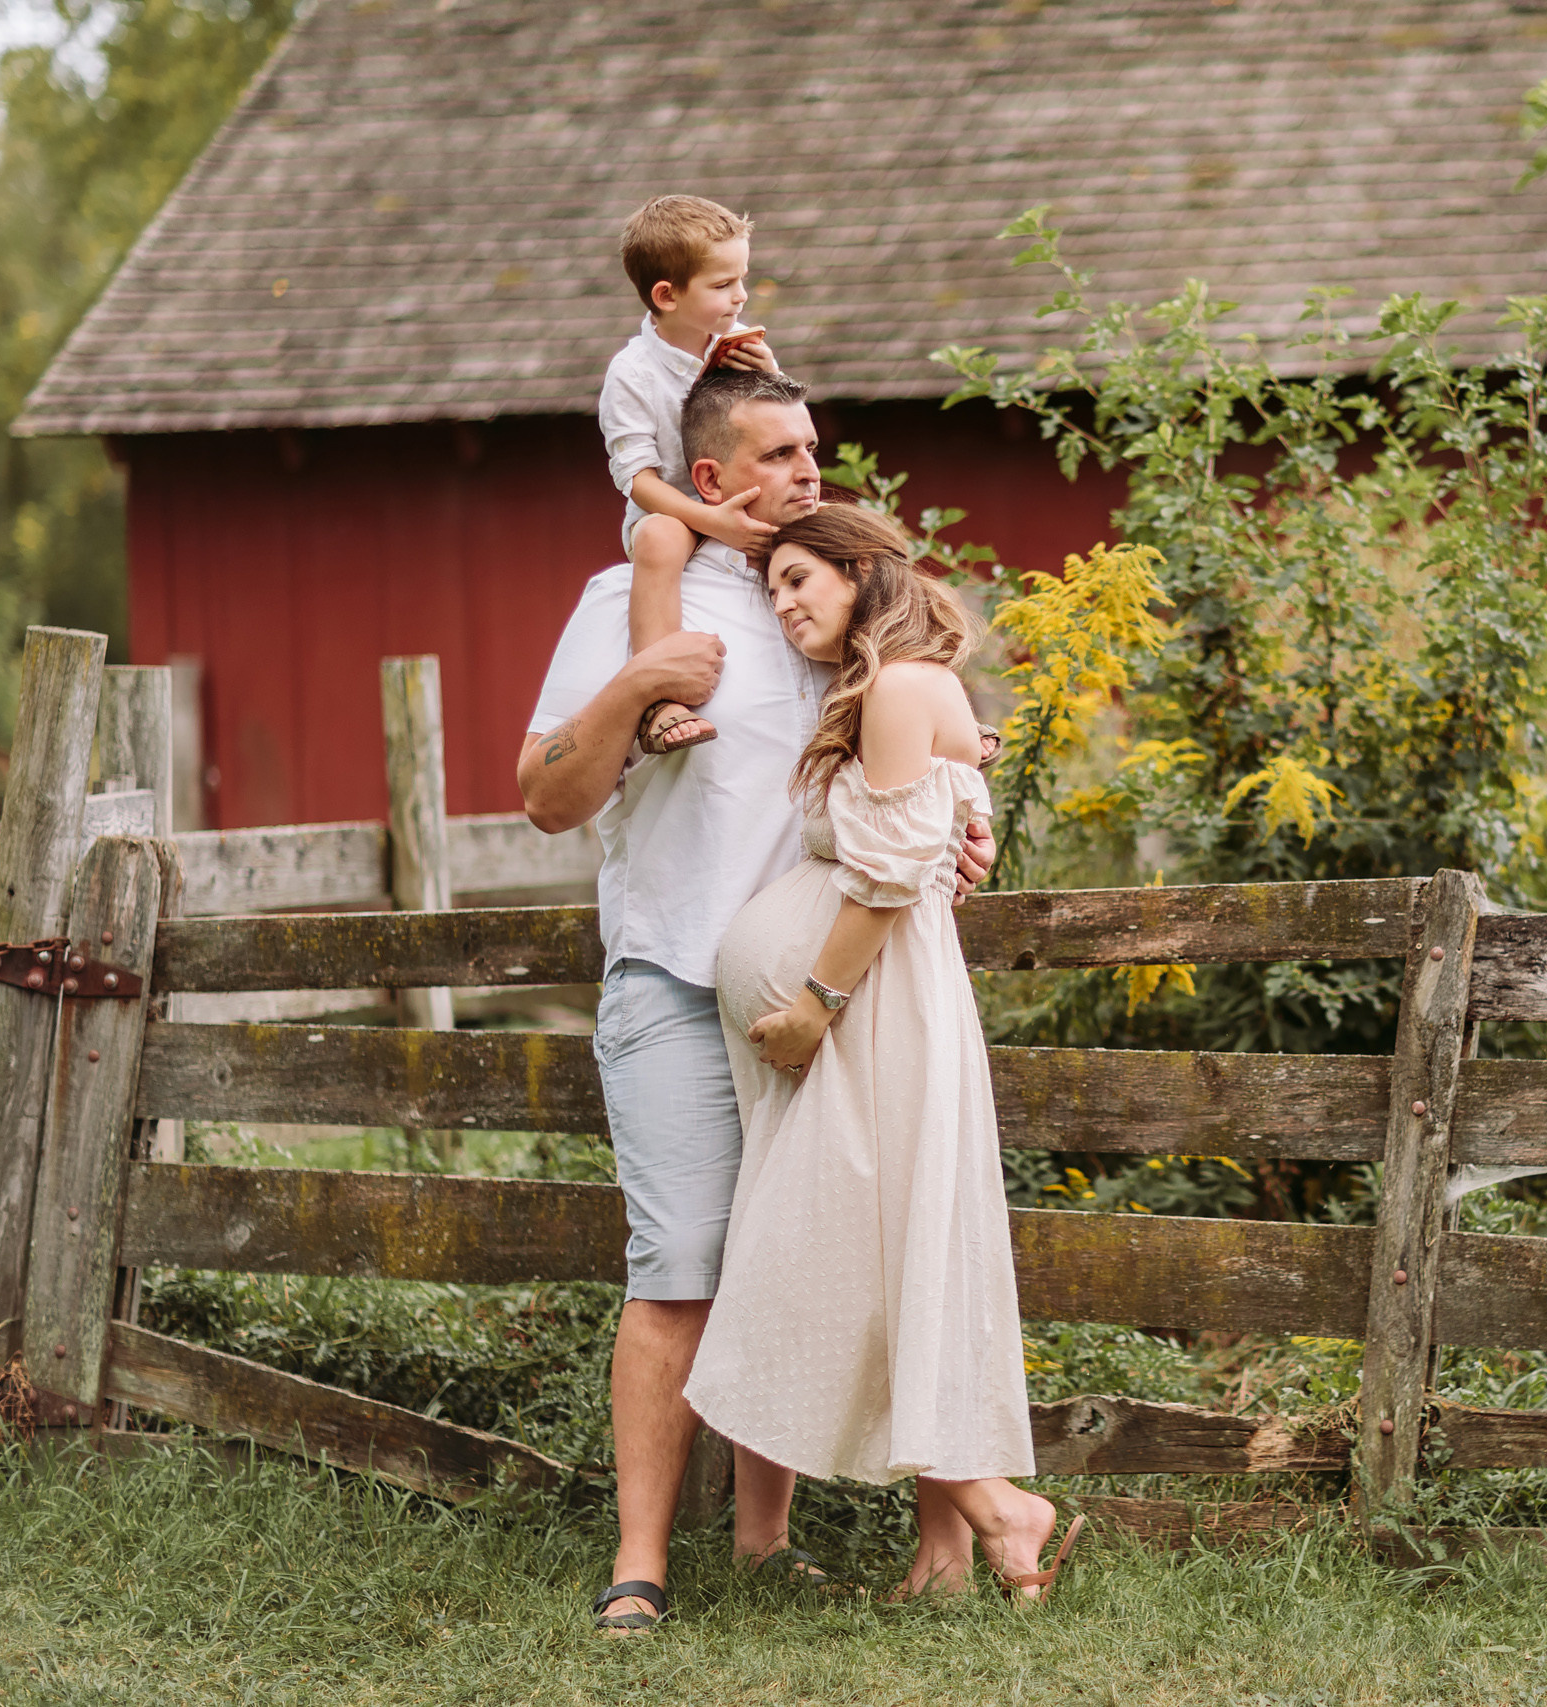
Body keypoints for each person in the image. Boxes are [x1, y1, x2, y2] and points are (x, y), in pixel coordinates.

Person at [517, 366, 993, 1636]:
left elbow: (926, 751)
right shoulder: (626, 599)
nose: (807, 472)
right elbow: (546, 795)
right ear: (712, 477)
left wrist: (972, 825)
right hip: (675, 985)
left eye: (814, 450)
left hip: (829, 1007)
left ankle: (765, 1541)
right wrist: (638, 684)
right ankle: (639, 1565)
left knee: (803, 1251)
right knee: (681, 1267)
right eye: (779, 454)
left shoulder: (824, 607)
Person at [685, 503, 1082, 1604]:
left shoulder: (900, 686)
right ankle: (950, 1557)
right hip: (876, 1006)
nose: (786, 603)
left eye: (802, 578)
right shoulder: (893, 690)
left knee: (857, 1261)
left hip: (873, 1008)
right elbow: (935, 819)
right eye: (772, 589)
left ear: (864, 573)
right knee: (898, 1253)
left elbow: (888, 875)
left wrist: (813, 1004)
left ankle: (1000, 1508)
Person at [600, 194, 779, 756]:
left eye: (742, 279)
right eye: (724, 285)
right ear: (667, 296)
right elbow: (637, 479)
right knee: (658, 536)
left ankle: (903, 668)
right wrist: (710, 521)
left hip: (744, 496)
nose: (741, 295)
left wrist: (771, 377)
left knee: (845, 531)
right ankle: (659, 700)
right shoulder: (633, 374)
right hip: (677, 510)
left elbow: (781, 433)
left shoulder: (738, 344)